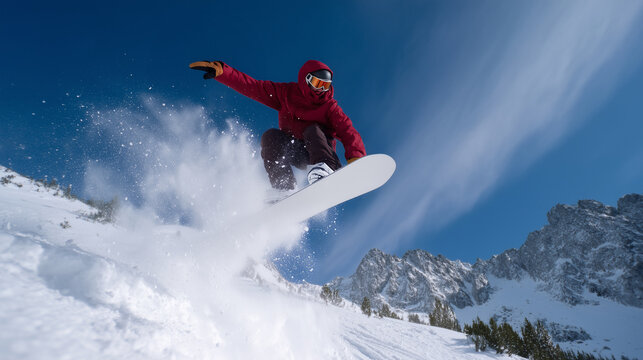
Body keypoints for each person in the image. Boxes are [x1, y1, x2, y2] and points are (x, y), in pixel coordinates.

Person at [189, 59, 366, 191]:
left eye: (325, 86)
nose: (321, 90)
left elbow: (348, 131)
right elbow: (253, 87)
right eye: (317, 83)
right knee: (270, 136)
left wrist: (357, 159)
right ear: (306, 80)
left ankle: (325, 170)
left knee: (312, 129)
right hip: (299, 152)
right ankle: (283, 187)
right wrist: (223, 72)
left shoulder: (329, 107)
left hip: (324, 156)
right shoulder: (286, 93)